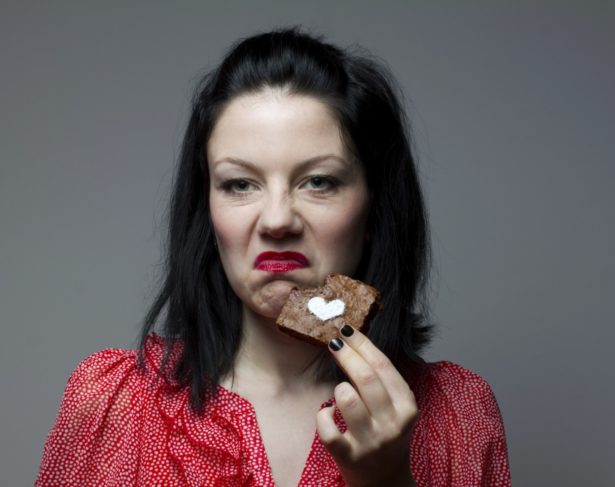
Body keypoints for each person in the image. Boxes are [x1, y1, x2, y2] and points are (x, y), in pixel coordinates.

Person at [36, 28, 511, 486]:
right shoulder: (112, 404)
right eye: (240, 184)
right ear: (208, 209)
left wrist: (388, 483)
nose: (277, 220)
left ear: (373, 210)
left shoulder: (459, 414)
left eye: (318, 181)